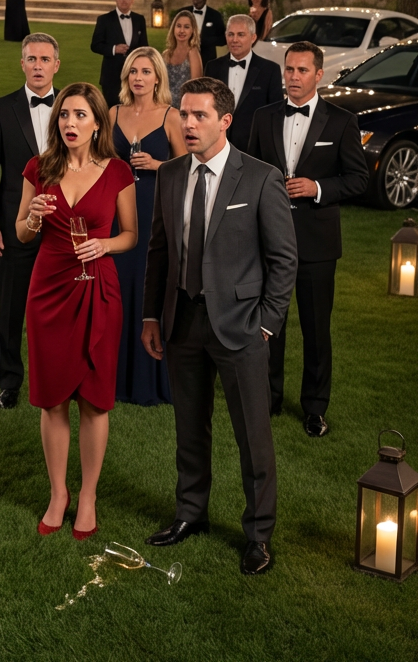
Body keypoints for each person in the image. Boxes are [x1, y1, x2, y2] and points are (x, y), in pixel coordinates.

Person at [142, 77, 297, 576]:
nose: (188, 124)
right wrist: (151, 314)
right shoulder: (168, 175)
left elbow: (283, 259)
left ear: (225, 121)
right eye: (184, 114)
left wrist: (267, 325)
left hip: (242, 328)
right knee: (190, 427)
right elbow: (159, 252)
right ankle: (191, 513)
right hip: (182, 320)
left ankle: (259, 534)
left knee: (253, 437)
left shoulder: (259, 178)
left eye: (200, 115)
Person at [16, 82, 137, 538]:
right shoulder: (38, 167)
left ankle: (87, 495)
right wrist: (32, 219)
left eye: (80, 115)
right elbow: (22, 233)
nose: (70, 122)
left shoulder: (118, 171)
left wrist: (104, 244)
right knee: (51, 400)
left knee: (93, 399)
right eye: (64, 114)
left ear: (98, 122)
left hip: (97, 291)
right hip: (47, 290)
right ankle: (57, 493)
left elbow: (130, 234)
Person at [247, 42, 369, 438]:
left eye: (302, 71)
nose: (294, 77)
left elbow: (358, 178)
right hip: (270, 240)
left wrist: (316, 187)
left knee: (317, 329)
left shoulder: (341, 121)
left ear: (319, 74)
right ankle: (268, 399)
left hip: (317, 243)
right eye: (289, 70)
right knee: (270, 326)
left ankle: (315, 408)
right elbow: (248, 172)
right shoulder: (263, 117)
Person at [0, 34, 62, 409]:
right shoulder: (0, 109)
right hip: (15, 224)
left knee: (63, 304)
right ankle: (9, 381)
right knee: (11, 307)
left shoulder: (73, 107)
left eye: (45, 59)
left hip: (65, 224)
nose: (39, 65)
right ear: (22, 64)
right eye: (32, 59)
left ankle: (60, 377)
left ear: (57, 65)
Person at [111, 48, 185, 406]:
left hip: (153, 209)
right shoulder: (112, 113)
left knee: (147, 285)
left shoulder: (171, 116)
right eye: (132, 72)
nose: (138, 78)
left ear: (158, 77)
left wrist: (157, 164)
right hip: (115, 212)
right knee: (117, 287)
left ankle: (149, 376)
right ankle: (113, 376)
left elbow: (189, 168)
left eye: (145, 71)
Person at [205, 14, 282, 150]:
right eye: (230, 34)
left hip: (254, 147)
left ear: (253, 37)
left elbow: (275, 114)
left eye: (241, 35)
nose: (234, 40)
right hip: (217, 144)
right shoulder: (213, 67)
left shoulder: (269, 70)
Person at [90, 0, 149, 107]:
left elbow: (145, 47)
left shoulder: (139, 19)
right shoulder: (104, 19)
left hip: (134, 75)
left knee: (133, 108)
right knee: (111, 111)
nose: (124, 1)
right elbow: (95, 45)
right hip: (111, 76)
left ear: (133, 0)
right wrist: (113, 49)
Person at [179, 0, 226, 64]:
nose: (196, 0)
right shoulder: (183, 13)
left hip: (207, 59)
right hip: (185, 57)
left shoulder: (215, 15)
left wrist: (206, 40)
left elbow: (223, 39)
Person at [163, 10, 203, 93]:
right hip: (165, 103)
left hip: (185, 104)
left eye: (186, 27)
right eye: (178, 26)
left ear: (192, 30)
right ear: (173, 28)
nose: (181, 31)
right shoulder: (166, 54)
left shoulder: (193, 53)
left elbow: (196, 88)